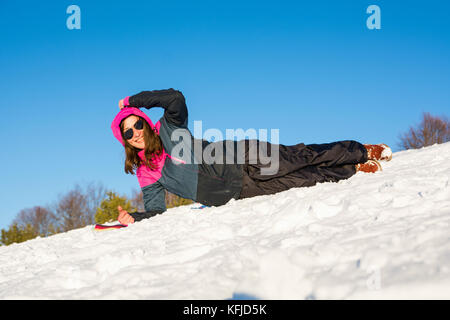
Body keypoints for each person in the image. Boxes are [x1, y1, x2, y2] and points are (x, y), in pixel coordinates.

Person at [111, 88, 392, 225]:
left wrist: (132, 102)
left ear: (145, 122)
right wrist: (134, 218)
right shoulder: (146, 172)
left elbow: (175, 98)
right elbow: (156, 210)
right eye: (127, 132)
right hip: (238, 191)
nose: (135, 132)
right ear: (123, 141)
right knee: (305, 180)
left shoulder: (169, 129)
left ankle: (361, 150)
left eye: (137, 123)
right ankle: (354, 168)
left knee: (300, 157)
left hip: (241, 156)